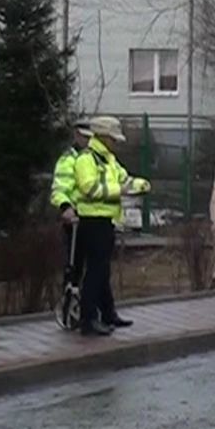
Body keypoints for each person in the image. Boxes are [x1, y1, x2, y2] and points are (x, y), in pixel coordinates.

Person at [70, 116, 149, 337]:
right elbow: (90, 188)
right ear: (103, 137)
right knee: (96, 271)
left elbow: (124, 180)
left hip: (106, 221)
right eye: (113, 139)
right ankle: (88, 319)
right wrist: (121, 190)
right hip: (92, 221)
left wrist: (140, 184)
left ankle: (108, 313)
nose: (116, 143)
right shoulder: (87, 160)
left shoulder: (109, 160)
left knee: (102, 270)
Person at [52, 121, 92, 318]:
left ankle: (89, 306)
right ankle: (70, 306)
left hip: (94, 217)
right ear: (76, 135)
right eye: (84, 136)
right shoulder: (69, 160)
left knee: (92, 266)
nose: (87, 140)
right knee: (74, 265)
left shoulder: (95, 158)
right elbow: (60, 187)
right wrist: (65, 207)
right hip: (76, 218)